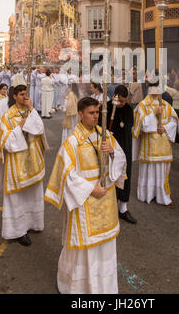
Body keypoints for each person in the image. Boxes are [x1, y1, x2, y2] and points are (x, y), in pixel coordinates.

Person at [45, 96, 127, 294]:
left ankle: (104, 288)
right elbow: (67, 174)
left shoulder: (105, 135)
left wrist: (113, 152)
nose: (95, 116)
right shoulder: (72, 142)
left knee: (104, 247)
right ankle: (80, 288)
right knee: (85, 248)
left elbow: (122, 159)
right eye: (91, 113)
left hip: (105, 200)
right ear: (80, 114)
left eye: (97, 112)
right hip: (85, 201)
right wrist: (91, 189)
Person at [0, 85, 48, 246]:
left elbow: (40, 129)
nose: (24, 97)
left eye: (26, 94)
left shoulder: (30, 111)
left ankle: (34, 223)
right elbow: (5, 142)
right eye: (21, 94)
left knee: (33, 195)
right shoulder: (7, 117)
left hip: (33, 162)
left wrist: (32, 108)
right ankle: (18, 231)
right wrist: (20, 128)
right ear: (14, 96)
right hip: (16, 165)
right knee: (17, 200)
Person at [132, 78, 179, 206]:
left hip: (163, 145)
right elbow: (140, 126)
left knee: (162, 172)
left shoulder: (165, 105)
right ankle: (147, 194)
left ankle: (162, 196)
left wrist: (165, 127)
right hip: (149, 146)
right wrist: (153, 114)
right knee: (150, 171)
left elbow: (174, 121)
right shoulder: (142, 105)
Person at [99, 84, 136, 224]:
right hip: (109, 146)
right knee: (109, 175)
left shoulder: (128, 109)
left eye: (125, 101)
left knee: (125, 176)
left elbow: (128, 125)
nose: (122, 103)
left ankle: (123, 208)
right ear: (114, 96)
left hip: (124, 146)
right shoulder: (106, 108)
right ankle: (108, 207)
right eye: (120, 100)